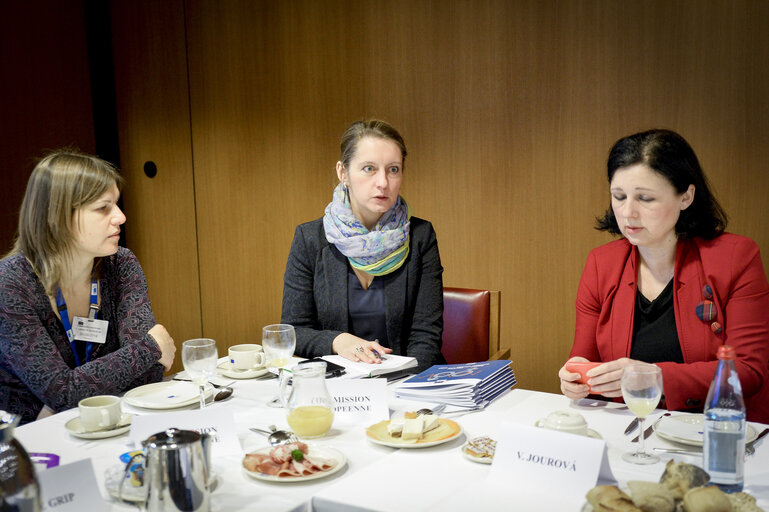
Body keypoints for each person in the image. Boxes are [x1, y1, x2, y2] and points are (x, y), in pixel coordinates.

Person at [559, 129, 769, 423]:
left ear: (686, 197)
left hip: (715, 429)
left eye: (645, 198)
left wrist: (651, 376)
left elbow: (749, 371)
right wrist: (575, 376)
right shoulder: (601, 263)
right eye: (619, 197)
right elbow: (583, 358)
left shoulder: (736, 258)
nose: (628, 212)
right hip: (629, 428)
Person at [0, 150, 176, 424]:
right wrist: (151, 347)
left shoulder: (120, 264)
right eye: (102, 208)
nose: (120, 217)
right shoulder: (10, 283)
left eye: (116, 204)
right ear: (55, 216)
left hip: (110, 425)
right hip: (29, 445)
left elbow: (150, 374)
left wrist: (69, 395)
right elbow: (61, 392)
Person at [281, 119, 445, 371]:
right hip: (337, 388)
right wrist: (338, 340)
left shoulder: (421, 236)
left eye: (393, 169)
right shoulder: (310, 238)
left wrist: (401, 385)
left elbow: (426, 336)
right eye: (369, 168)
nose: (383, 182)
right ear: (343, 173)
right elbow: (293, 332)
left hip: (407, 382)